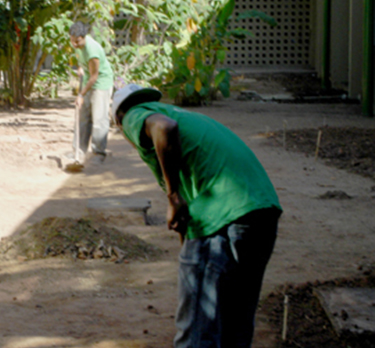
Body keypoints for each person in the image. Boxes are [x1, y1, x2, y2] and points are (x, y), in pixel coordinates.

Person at [111, 84, 283, 348]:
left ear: (119, 124)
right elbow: (185, 215)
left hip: (221, 216)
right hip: (262, 211)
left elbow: (164, 128)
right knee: (235, 324)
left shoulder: (135, 115)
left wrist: (172, 197)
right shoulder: (188, 118)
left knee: (197, 333)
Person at [69, 21, 114, 163]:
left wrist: (81, 94)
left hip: (101, 83)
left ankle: (98, 153)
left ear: (84, 37)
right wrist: (80, 68)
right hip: (89, 80)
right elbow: (82, 62)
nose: (74, 44)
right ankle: (79, 151)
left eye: (77, 41)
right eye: (72, 41)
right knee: (83, 117)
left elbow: (95, 76)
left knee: (99, 119)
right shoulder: (77, 45)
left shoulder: (92, 50)